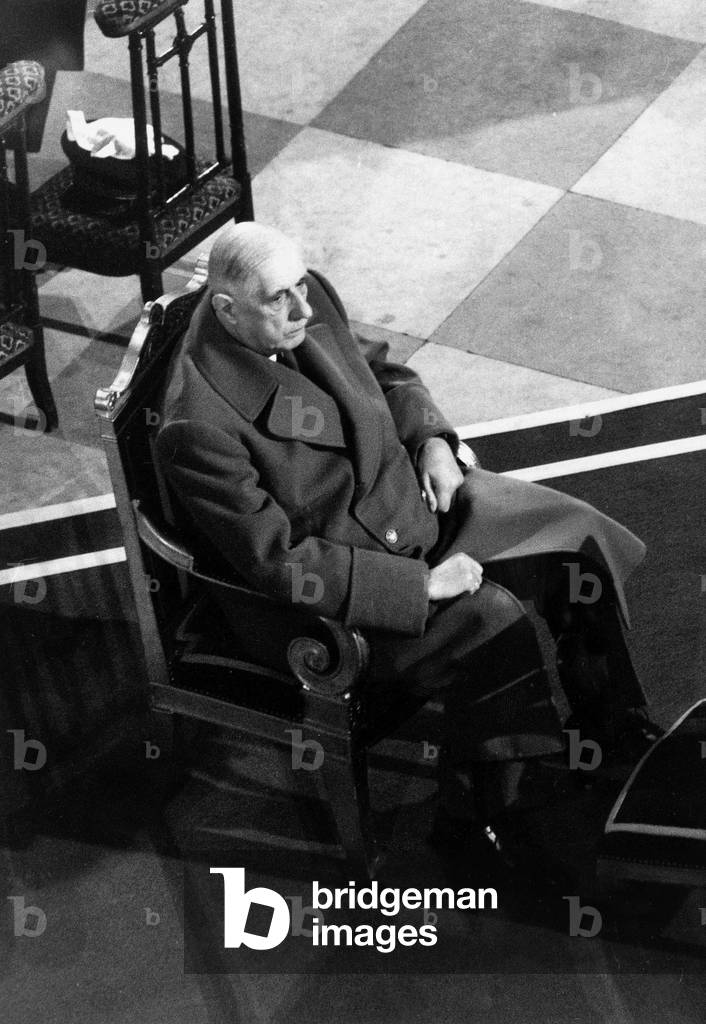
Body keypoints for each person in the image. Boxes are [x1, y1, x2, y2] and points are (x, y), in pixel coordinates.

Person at [155, 222, 662, 887]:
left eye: (303, 288)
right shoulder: (199, 423)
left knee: (575, 538)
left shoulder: (305, 303)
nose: (304, 311)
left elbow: (389, 375)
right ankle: (496, 816)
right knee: (491, 622)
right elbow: (278, 563)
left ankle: (613, 727)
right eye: (281, 299)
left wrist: (433, 442)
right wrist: (419, 587)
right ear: (226, 310)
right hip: (342, 594)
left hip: (414, 505)